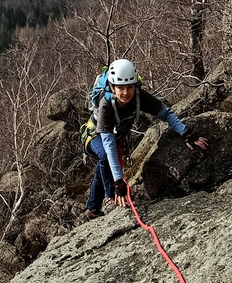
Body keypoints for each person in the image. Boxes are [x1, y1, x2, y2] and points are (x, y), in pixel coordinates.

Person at [83, 58, 208, 218]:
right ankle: (111, 197)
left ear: (135, 86)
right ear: (112, 88)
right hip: (93, 134)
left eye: (130, 87)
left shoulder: (139, 97)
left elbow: (165, 113)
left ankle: (92, 208)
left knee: (104, 165)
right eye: (121, 88)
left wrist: (186, 133)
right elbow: (107, 143)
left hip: (115, 136)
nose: (126, 92)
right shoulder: (106, 105)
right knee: (105, 157)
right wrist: (119, 182)